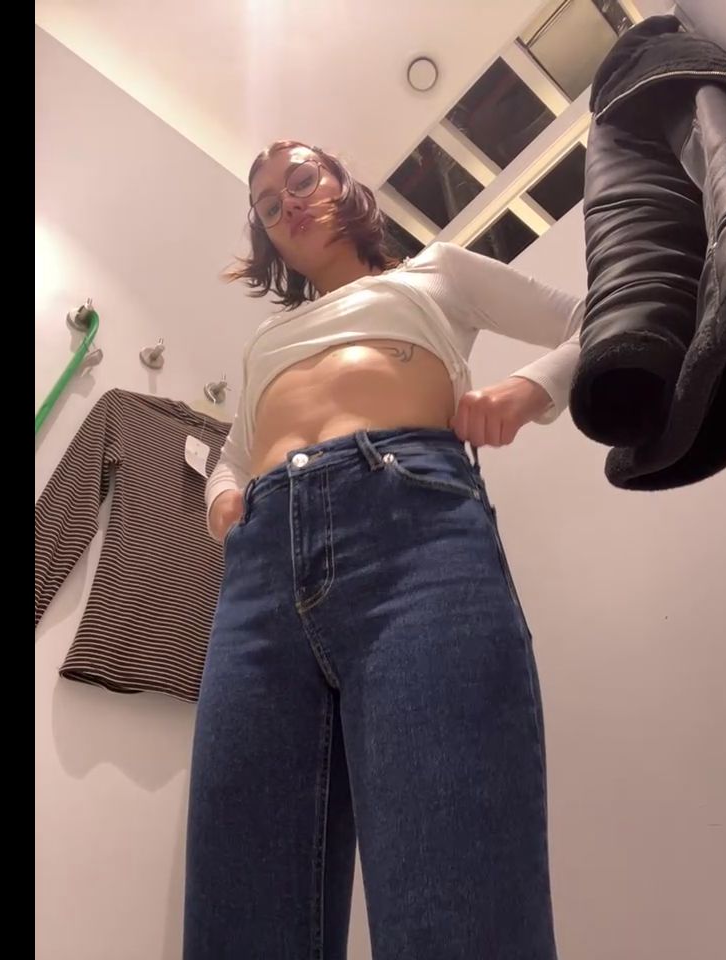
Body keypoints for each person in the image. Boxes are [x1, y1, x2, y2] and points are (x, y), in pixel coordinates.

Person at [184, 140, 582, 960]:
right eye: (268, 206)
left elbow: (597, 315)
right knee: (239, 899)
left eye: (301, 179)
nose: (288, 203)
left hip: (413, 540)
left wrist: (530, 389)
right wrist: (224, 501)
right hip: (260, 577)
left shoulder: (436, 272)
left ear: (343, 184)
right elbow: (232, 454)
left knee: (453, 873)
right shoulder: (268, 340)